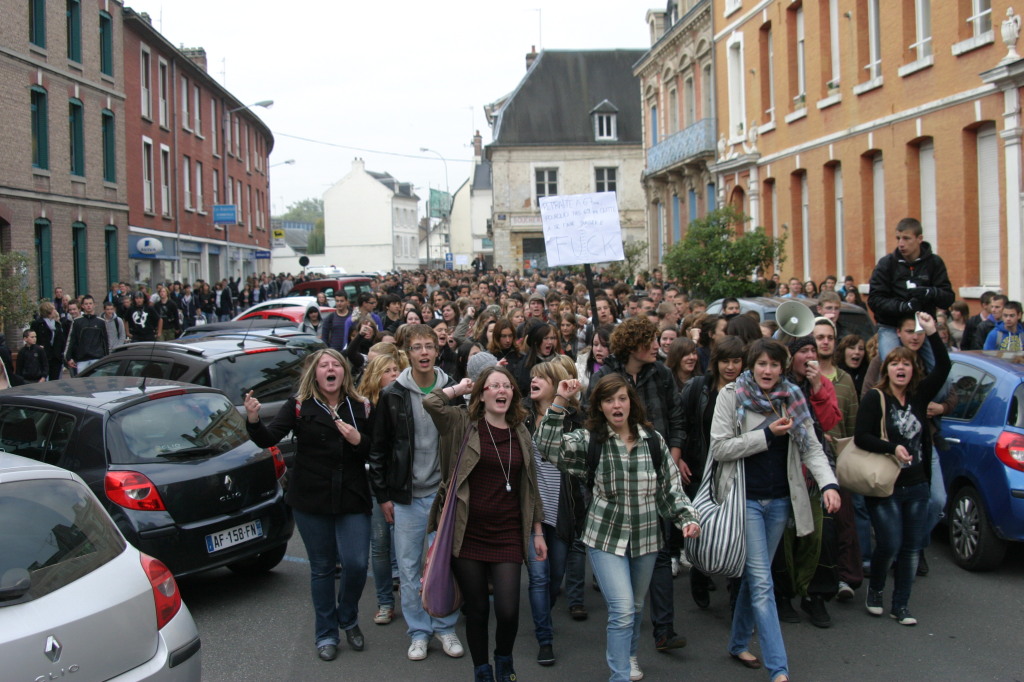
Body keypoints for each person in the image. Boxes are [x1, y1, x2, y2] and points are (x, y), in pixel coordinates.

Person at [537, 374, 699, 682]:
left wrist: (687, 519)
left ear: (631, 402)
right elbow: (547, 445)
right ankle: (619, 675)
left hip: (647, 537)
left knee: (635, 608)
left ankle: (629, 655)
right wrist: (559, 400)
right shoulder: (590, 440)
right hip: (604, 537)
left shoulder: (652, 440)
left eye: (622, 398)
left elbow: (670, 488)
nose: (617, 405)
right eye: (609, 400)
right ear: (599, 406)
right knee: (623, 609)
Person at [709, 337, 841, 682]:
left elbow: (811, 447)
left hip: (780, 501)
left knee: (757, 577)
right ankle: (779, 668)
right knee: (763, 583)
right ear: (752, 366)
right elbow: (720, 449)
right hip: (746, 500)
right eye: (761, 364)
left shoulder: (792, 398)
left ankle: (738, 642)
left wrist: (829, 484)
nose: (768, 371)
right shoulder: (732, 395)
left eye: (774, 364)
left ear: (783, 367)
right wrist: (766, 436)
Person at [244, 349, 374, 661]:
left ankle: (349, 616)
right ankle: (326, 634)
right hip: (311, 497)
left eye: (335, 365)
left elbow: (375, 450)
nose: (330, 370)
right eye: (323, 366)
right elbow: (268, 438)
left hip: (352, 495)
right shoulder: (300, 405)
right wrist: (252, 418)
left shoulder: (361, 406)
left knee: (356, 564)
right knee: (322, 568)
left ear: (344, 372)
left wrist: (358, 440)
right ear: (314, 374)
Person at [421, 366, 545, 682]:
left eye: (507, 386)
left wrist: (538, 531)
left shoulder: (521, 431)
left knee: (507, 611)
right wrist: (460, 389)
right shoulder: (463, 424)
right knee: (476, 610)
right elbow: (431, 403)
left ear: (512, 395)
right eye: (494, 386)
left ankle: (503, 658)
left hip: (507, 534)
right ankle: (482, 670)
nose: (501, 390)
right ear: (483, 394)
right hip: (468, 532)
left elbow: (531, 484)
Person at [367, 324, 465, 662]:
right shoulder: (393, 394)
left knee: (442, 566)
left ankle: (445, 626)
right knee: (409, 570)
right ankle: (419, 631)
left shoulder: (453, 388)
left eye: (429, 346)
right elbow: (378, 450)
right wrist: (383, 496)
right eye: (417, 347)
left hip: (443, 496)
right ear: (407, 353)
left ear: (437, 351)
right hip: (406, 496)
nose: (424, 352)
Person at [854, 312, 950, 626]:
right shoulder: (875, 398)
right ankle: (876, 589)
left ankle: (901, 605)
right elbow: (861, 437)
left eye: (906, 364)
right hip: (887, 484)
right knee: (891, 543)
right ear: (887, 368)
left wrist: (933, 333)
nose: (900, 368)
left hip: (917, 483)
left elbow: (945, 367)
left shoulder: (920, 397)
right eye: (895, 363)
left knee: (911, 547)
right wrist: (890, 447)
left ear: (913, 371)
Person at [521, 361, 584, 667]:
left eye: (541, 377)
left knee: (554, 576)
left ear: (556, 383)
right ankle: (544, 638)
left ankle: (543, 613)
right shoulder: (519, 416)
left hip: (562, 509)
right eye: (532, 376)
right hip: (530, 509)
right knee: (538, 577)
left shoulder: (574, 419)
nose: (533, 380)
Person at [678, 336, 745, 609]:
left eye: (736, 361)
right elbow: (679, 422)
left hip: (734, 469)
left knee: (734, 529)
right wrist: (679, 456)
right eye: (725, 361)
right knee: (701, 524)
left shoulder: (747, 391)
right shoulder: (698, 387)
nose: (731, 367)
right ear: (715, 363)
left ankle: (733, 585)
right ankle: (699, 572)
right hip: (699, 465)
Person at [356, 353, 408, 628]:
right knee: (380, 544)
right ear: (376, 376)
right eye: (387, 370)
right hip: (376, 483)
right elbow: (366, 447)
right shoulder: (364, 407)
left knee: (407, 544)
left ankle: (416, 599)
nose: (394, 374)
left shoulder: (404, 399)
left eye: (396, 369)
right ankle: (385, 602)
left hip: (403, 481)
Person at [867, 218, 954, 370]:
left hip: (922, 327)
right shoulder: (887, 264)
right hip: (891, 326)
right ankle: (887, 393)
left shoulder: (934, 263)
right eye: (898, 238)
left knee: (942, 371)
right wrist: (902, 306)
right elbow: (874, 300)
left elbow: (948, 298)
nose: (901, 243)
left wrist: (929, 292)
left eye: (906, 238)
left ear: (919, 239)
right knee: (892, 368)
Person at [65, 295, 109, 375]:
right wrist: (68, 357)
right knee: (82, 384)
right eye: (86, 304)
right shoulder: (77, 322)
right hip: (82, 359)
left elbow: (105, 341)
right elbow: (72, 340)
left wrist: (106, 357)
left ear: (94, 305)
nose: (88, 306)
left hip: (97, 358)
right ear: (82, 306)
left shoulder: (101, 322)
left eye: (90, 303)